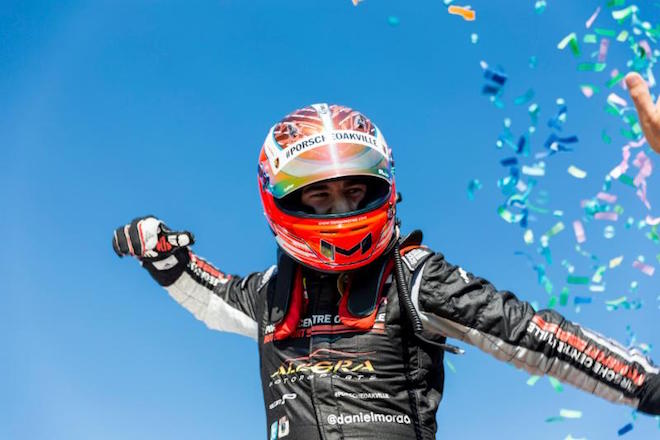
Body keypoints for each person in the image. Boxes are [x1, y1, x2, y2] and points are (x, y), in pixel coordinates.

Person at [112, 73, 660, 440]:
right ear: (281, 199)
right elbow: (207, 293)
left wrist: (648, 385)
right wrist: (158, 250)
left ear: (383, 187)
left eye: (355, 191)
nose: (341, 209)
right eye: (319, 196)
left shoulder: (412, 276)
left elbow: (535, 335)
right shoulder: (270, 295)